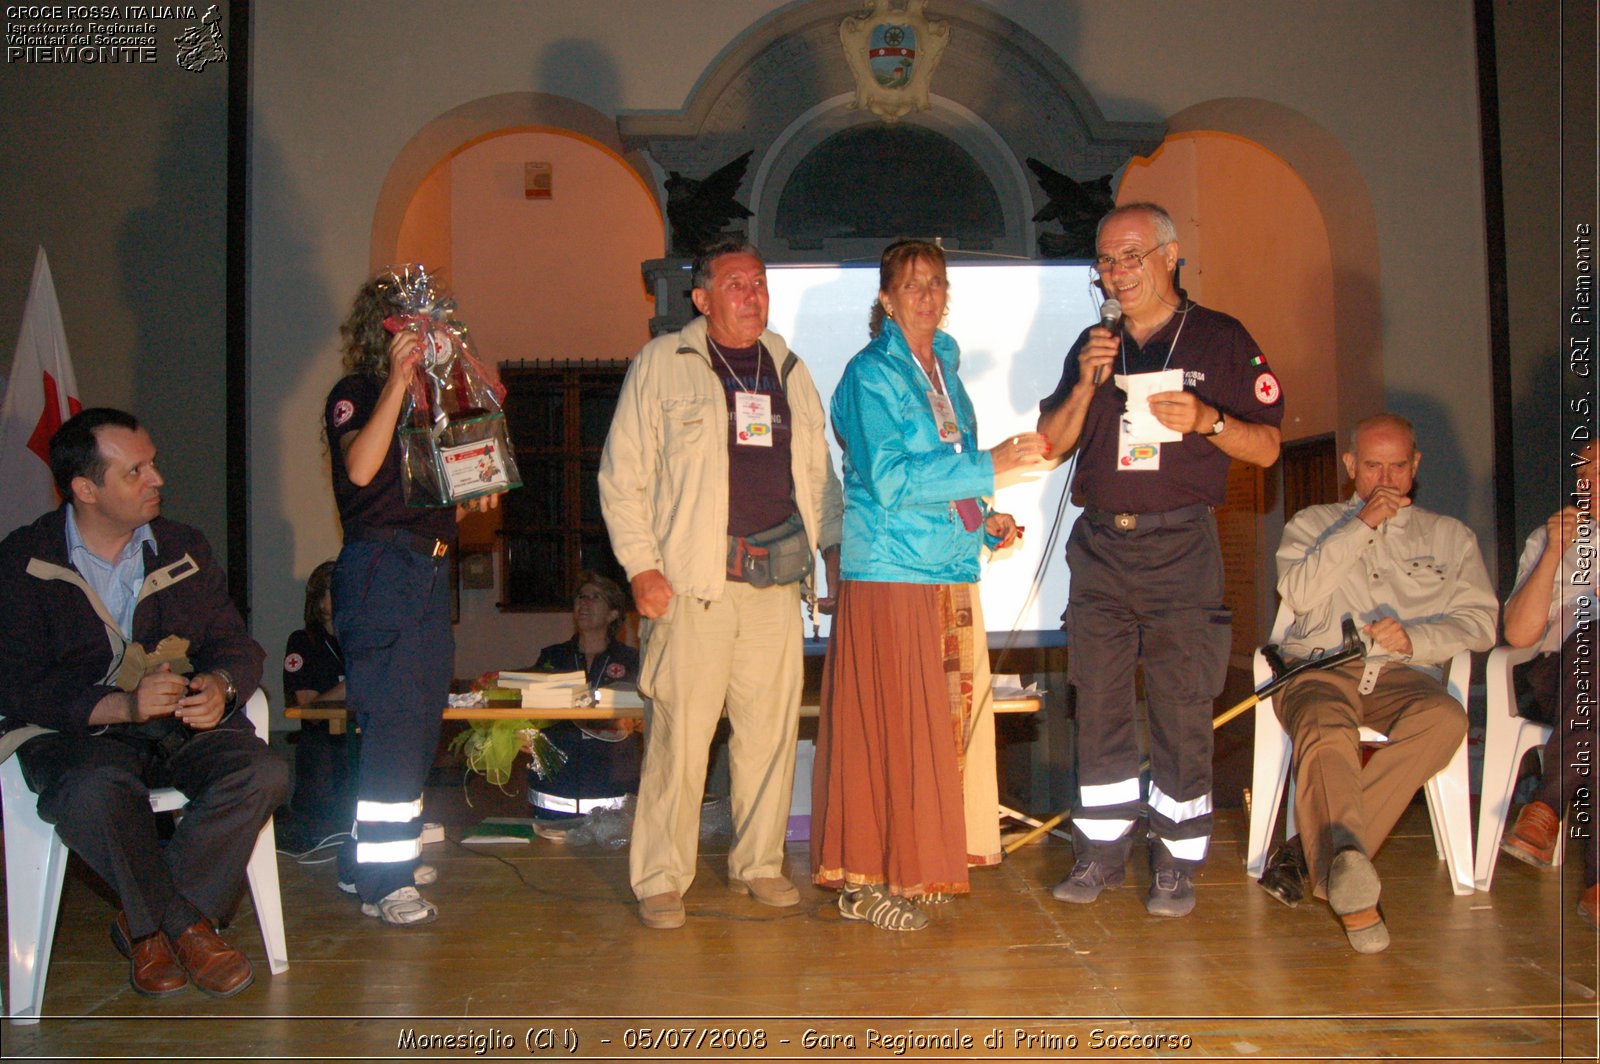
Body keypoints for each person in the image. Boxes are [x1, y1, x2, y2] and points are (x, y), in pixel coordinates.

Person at [1036, 201, 1285, 917]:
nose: (1116, 273)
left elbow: (1267, 446)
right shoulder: (1095, 341)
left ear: (1172, 256)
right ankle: (1100, 855)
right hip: (1102, 549)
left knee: (1180, 706)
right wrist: (1086, 381)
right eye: (1106, 261)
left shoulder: (1220, 338)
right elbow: (1051, 441)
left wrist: (1208, 420)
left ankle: (1177, 861)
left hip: (1181, 546)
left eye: (1131, 256)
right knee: (1101, 704)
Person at [0, 408, 286, 998]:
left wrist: (222, 687)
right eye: (136, 471)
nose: (156, 478)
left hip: (180, 728)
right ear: (86, 489)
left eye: (152, 463)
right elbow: (18, 683)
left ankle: (144, 925)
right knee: (91, 789)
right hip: (79, 738)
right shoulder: (24, 562)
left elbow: (236, 645)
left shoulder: (183, 546)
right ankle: (182, 927)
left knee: (263, 771)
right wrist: (120, 708)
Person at [599, 240, 843, 930]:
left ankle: (760, 863)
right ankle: (660, 878)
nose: (752, 294)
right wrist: (641, 568)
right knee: (680, 738)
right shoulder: (662, 365)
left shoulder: (789, 368)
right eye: (736, 284)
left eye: (760, 282)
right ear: (701, 299)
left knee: (768, 736)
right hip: (693, 587)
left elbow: (818, 474)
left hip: (774, 587)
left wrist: (832, 549)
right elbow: (622, 478)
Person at [811, 239, 1046, 931]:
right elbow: (887, 480)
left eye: (937, 283)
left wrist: (985, 522)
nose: (927, 295)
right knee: (888, 731)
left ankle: (915, 865)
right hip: (889, 574)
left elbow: (943, 470)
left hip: (947, 569)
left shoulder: (944, 367)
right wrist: (989, 464)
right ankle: (866, 880)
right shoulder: (868, 374)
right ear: (885, 298)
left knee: (939, 731)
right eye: (912, 285)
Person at [1264, 414, 1496, 952]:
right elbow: (1297, 593)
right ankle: (1356, 898)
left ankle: (1316, 854)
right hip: (1320, 670)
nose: (1387, 480)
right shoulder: (1311, 522)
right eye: (1373, 466)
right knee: (1324, 725)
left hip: (1403, 673)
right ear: (1350, 467)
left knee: (1446, 718)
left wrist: (1415, 637)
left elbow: (1480, 623)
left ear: (1415, 467)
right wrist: (1361, 526)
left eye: (1398, 466)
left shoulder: (1450, 536)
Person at [324, 270, 498, 927]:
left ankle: (366, 860)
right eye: (413, 323)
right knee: (395, 724)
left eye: (437, 323)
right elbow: (363, 468)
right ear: (386, 330)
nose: (429, 335)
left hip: (428, 573)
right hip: (380, 568)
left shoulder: (438, 403)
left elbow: (464, 486)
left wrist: (480, 478)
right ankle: (383, 881)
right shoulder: (359, 392)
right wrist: (397, 383)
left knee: (416, 723)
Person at [1498, 439, 1597, 927]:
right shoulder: (1551, 536)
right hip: (1557, 675)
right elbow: (1517, 634)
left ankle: (1546, 805)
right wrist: (1555, 554)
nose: (1592, 485)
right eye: (1587, 475)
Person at [518, 570, 642, 819]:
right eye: (580, 597)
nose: (584, 603)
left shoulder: (631, 661)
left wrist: (638, 722)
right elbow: (530, 711)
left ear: (613, 613)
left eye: (595, 598)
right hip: (553, 793)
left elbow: (652, 718)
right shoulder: (553, 657)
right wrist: (522, 733)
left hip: (613, 794)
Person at [281, 559, 352, 844]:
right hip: (324, 740)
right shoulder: (303, 642)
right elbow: (309, 711)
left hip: (360, 734)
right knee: (319, 751)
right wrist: (351, 685)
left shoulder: (359, 639)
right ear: (319, 601)